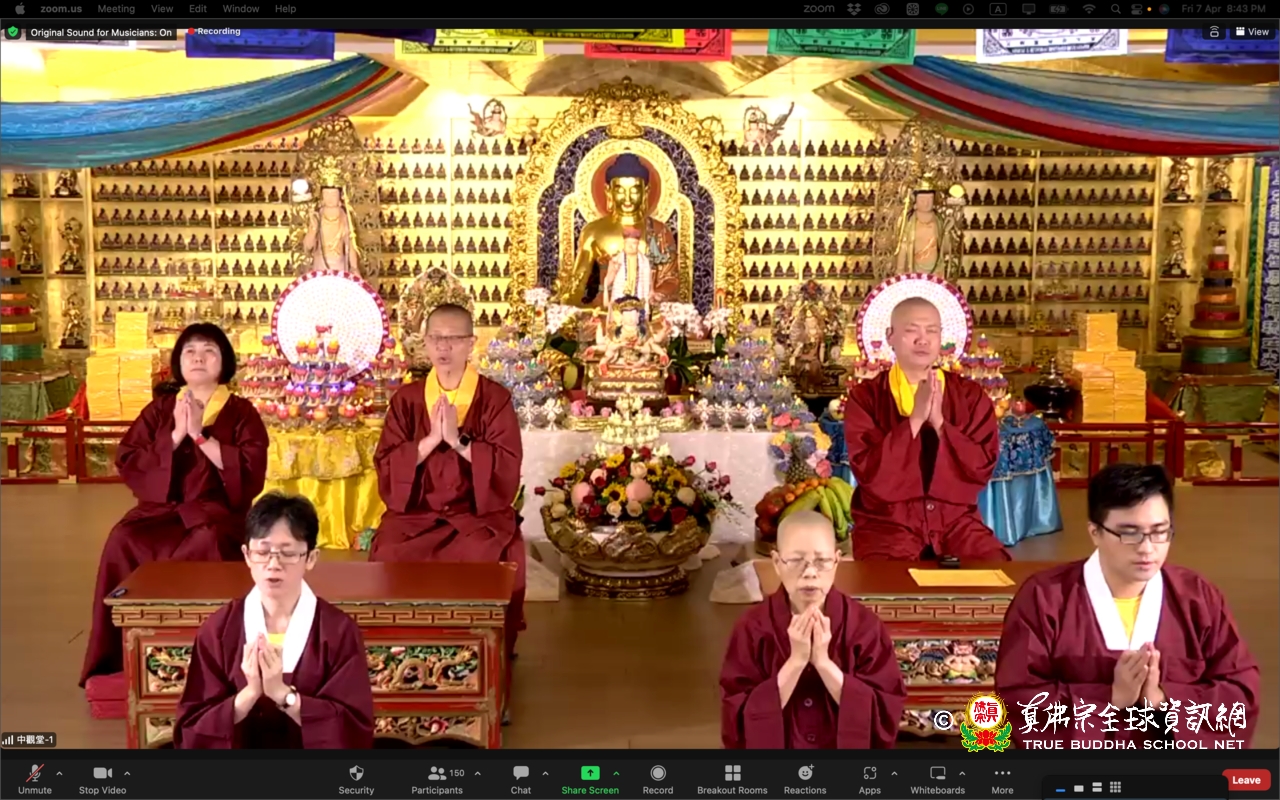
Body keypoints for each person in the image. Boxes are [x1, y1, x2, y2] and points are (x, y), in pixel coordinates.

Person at [996, 464, 1260, 747]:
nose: (1147, 548)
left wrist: (1163, 699)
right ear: (1095, 532)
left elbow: (1240, 692)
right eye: (1129, 533)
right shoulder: (1045, 598)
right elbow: (1017, 697)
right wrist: (1107, 699)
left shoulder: (1197, 598)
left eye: (1159, 532)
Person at [81, 323, 269, 687]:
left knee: (208, 541)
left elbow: (250, 471)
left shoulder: (242, 412)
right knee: (123, 539)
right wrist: (176, 435)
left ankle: (211, 657)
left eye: (209, 351)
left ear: (224, 362)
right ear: (178, 362)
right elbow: (130, 460)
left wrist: (199, 436)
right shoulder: (160, 410)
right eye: (190, 351)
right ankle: (125, 655)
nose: (199, 358)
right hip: (161, 511)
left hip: (216, 513)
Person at [370, 304, 525, 658]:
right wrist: (428, 442)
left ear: (471, 343)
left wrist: (458, 442)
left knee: (487, 553)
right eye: (436, 338)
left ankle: (478, 651)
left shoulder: (494, 399)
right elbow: (386, 462)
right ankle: (402, 645)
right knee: (389, 549)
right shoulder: (407, 400)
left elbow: (507, 464)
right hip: (417, 515)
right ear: (424, 342)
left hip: (476, 516)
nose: (444, 346)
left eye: (453, 338)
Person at [175, 493, 374, 748]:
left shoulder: (338, 631)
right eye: (263, 551)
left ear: (311, 558)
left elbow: (353, 731)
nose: (273, 564)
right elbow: (193, 730)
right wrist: (249, 694)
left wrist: (282, 694)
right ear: (247, 555)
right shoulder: (219, 630)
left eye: (288, 553)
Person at [720, 511, 907, 749]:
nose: (810, 572)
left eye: (821, 561)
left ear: (836, 561)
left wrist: (823, 663)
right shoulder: (752, 628)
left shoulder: (864, 627)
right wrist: (796, 662)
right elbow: (736, 717)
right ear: (777, 563)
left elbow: (885, 711)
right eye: (796, 560)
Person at [843, 297, 1007, 561]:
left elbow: (982, 465)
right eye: (912, 330)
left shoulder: (969, 396)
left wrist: (940, 424)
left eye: (931, 331)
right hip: (888, 523)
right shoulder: (866, 398)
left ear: (941, 337)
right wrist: (915, 420)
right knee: (884, 582)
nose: (923, 340)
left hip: (956, 521)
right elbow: (869, 471)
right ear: (890, 336)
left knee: (993, 569)